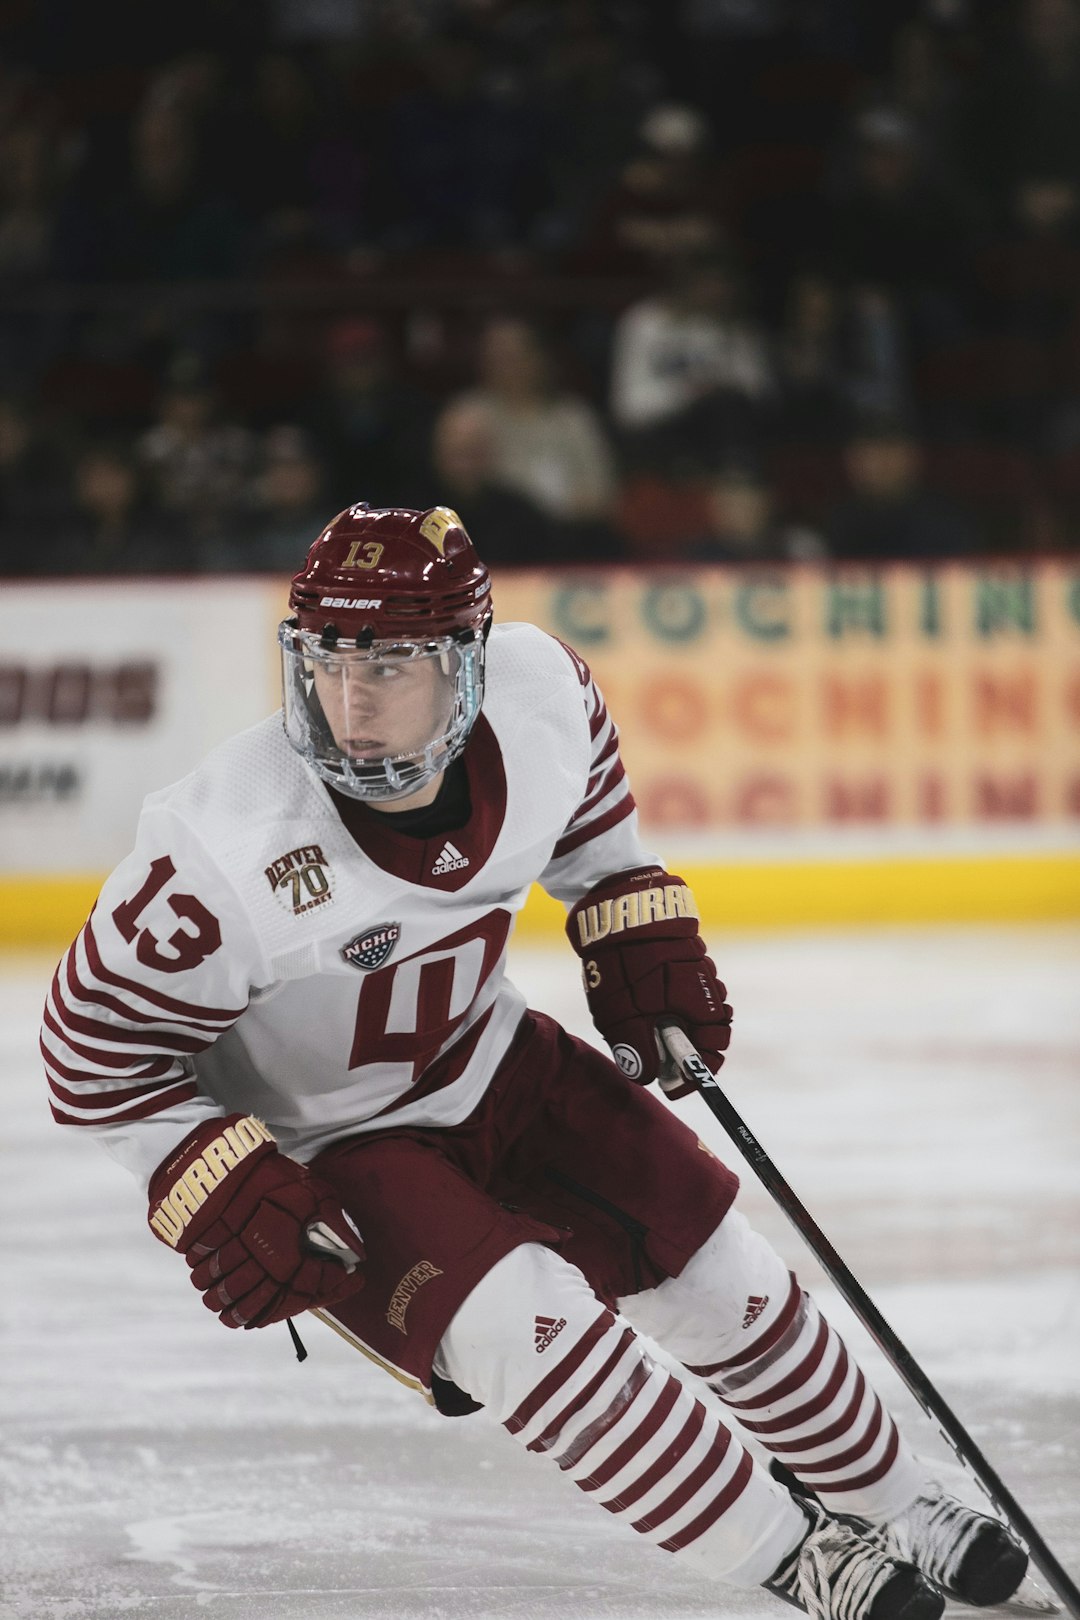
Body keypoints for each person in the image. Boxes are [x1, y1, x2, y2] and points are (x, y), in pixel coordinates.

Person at [42, 503, 1027, 1620]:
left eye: (394, 667)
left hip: (492, 1057)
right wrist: (209, 1179)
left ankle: (900, 1498)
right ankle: (797, 1556)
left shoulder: (542, 691)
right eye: (327, 664)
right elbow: (88, 1050)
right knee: (532, 1328)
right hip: (336, 1141)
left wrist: (623, 900)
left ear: (464, 665)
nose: (351, 705)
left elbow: (589, 800)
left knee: (723, 1270)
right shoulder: (223, 851)